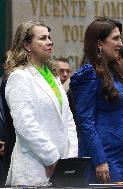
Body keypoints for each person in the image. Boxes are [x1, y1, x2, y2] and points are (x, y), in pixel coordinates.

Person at [4, 21, 78, 186]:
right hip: (34, 167)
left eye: (49, 37)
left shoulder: (53, 76)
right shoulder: (19, 77)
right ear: (27, 44)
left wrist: (69, 158)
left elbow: (68, 119)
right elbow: (25, 125)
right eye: (43, 38)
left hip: (62, 167)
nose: (49, 41)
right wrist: (52, 158)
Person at [70, 17, 123, 183]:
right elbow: (86, 121)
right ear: (99, 43)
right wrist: (99, 160)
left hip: (117, 157)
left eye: (120, 38)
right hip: (100, 160)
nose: (121, 43)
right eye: (116, 38)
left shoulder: (111, 72)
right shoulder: (89, 73)